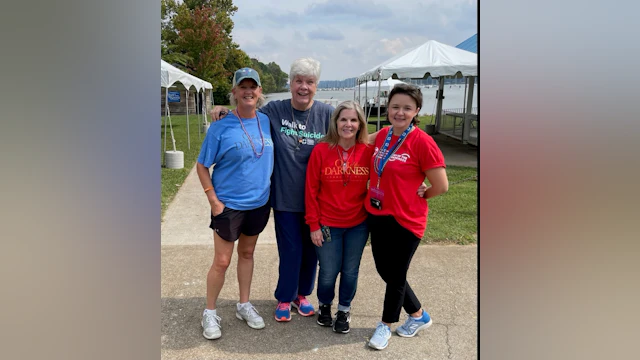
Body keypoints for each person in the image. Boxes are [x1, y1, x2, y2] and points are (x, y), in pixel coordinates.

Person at [210, 58, 334, 322]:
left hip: (317, 199)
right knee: (290, 251)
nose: (303, 87)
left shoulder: (326, 114)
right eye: (298, 81)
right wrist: (221, 110)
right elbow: (246, 109)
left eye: (309, 82)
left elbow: (352, 133)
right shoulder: (275, 111)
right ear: (290, 84)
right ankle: (284, 297)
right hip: (285, 198)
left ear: (316, 86)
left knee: (312, 251)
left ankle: (303, 295)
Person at [365, 84, 449, 350]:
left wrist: (426, 193)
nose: (400, 112)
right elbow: (355, 140)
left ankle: (385, 325)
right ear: (387, 108)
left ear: (417, 111)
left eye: (407, 108)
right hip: (378, 213)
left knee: (397, 274)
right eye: (395, 107)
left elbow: (442, 185)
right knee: (385, 270)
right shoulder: (382, 135)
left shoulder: (423, 142)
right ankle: (418, 315)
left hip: (407, 219)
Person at [196, 67, 274, 340]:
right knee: (222, 260)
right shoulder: (220, 127)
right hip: (228, 204)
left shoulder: (267, 121)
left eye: (253, 86)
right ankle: (209, 311)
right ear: (235, 92)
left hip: (259, 203)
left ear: (260, 91)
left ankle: (243, 304)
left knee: (248, 254)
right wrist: (213, 200)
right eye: (243, 87)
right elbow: (202, 166)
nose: (248, 91)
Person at [304, 100, 373, 333]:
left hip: (358, 224)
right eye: (343, 119)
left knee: (351, 270)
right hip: (327, 224)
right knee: (328, 271)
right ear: (335, 122)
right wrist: (313, 224)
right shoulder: (321, 150)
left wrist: (417, 185)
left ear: (360, 124)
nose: (348, 124)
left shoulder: (368, 152)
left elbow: (390, 174)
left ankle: (344, 309)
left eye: (353, 120)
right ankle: (324, 306)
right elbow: (310, 190)